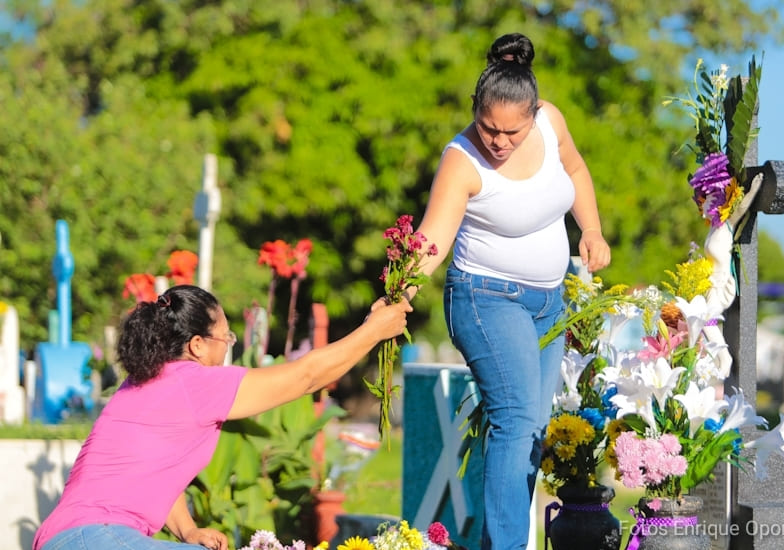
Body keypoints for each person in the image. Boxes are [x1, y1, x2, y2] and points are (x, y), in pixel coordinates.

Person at [410, 33, 611, 549]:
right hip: (485, 299)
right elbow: (433, 240)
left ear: (534, 113)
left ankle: (496, 540)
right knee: (517, 419)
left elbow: (575, 168)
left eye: (511, 131)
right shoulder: (461, 160)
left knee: (531, 431)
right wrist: (399, 292)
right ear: (475, 111)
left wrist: (590, 230)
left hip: (548, 303)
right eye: (488, 128)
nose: (498, 141)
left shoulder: (552, 120)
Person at [33, 284, 411, 550]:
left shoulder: (140, 384)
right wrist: (373, 331)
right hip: (98, 537)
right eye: (226, 339)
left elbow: (152, 474)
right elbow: (307, 375)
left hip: (63, 536)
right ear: (197, 345)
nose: (229, 349)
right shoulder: (195, 381)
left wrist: (187, 530)